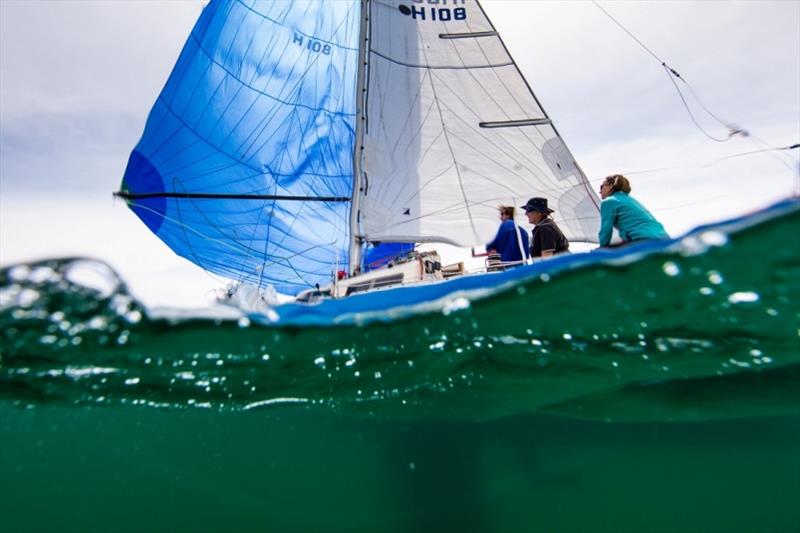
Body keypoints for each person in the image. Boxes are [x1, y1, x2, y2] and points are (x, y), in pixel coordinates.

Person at [598, 174, 669, 247]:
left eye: (601, 187)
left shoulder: (609, 201)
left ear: (611, 186)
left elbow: (606, 230)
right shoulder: (630, 200)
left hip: (642, 239)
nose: (599, 191)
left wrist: (602, 249)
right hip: (664, 237)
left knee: (598, 253)